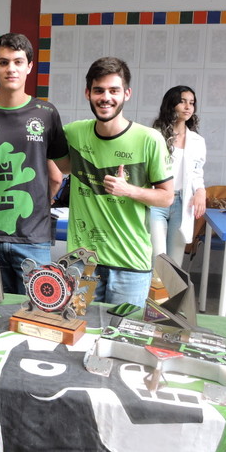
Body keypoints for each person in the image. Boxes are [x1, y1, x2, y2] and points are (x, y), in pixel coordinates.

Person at [54, 57, 174, 306]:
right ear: (88, 93)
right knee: (79, 327)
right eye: (99, 90)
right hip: (82, 263)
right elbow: (62, 166)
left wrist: (129, 190)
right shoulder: (74, 133)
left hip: (130, 264)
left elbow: (166, 197)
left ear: (126, 94)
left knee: (121, 330)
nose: (105, 97)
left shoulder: (149, 139)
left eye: (114, 90)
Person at [0, 33, 68, 295]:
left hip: (33, 240)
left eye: (18, 62)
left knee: (34, 311)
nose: (11, 69)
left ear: (29, 66)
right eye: (3, 62)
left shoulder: (46, 114)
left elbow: (59, 173)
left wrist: (41, 204)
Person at [149, 86, 207, 266]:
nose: (188, 107)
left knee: (174, 262)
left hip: (183, 202)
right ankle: (154, 286)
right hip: (157, 201)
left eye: (191, 103)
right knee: (157, 259)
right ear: (171, 104)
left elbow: (197, 172)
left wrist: (200, 191)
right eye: (182, 102)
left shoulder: (197, 141)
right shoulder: (154, 136)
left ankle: (171, 287)